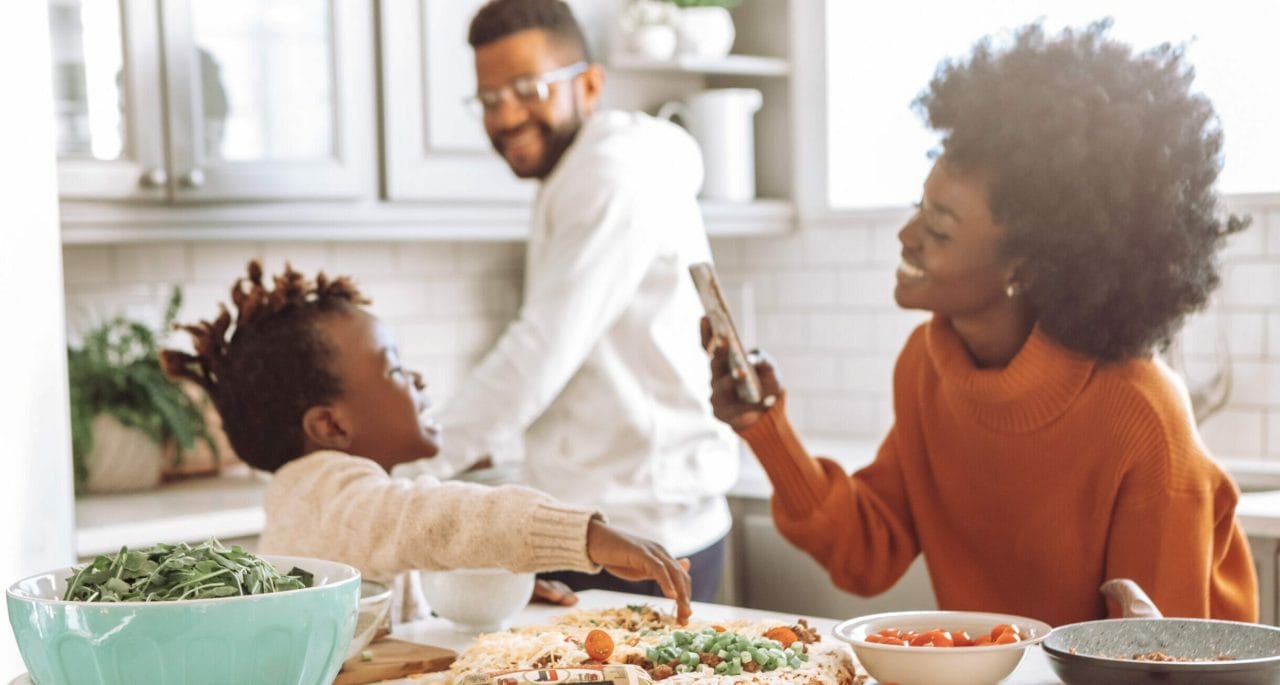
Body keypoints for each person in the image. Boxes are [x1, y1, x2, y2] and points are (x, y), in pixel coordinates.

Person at [702, 21, 1257, 627]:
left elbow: (1155, 660)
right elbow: (868, 550)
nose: (905, 236)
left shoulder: (1141, 419)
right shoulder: (928, 364)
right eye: (920, 209)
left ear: (1025, 267)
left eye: (938, 228)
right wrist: (763, 426)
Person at [398, 0, 738, 602]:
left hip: (636, 533)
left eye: (527, 87)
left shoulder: (608, 175)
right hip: (620, 517)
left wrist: (403, 474)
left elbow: (539, 351)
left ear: (589, 83)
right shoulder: (587, 167)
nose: (505, 115)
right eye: (489, 98)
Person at [160, 261, 693, 624]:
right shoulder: (333, 493)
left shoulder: (318, 495)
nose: (417, 380)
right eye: (394, 369)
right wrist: (586, 535)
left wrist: (482, 587)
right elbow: (437, 519)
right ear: (331, 427)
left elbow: (397, 563)